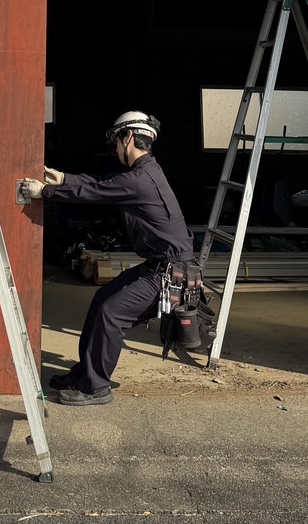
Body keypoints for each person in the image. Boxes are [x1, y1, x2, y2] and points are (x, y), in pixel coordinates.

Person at [20, 109, 194, 406]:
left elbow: (97, 192)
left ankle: (96, 387)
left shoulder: (140, 179)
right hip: (161, 266)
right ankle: (84, 374)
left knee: (111, 312)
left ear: (129, 137)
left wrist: (47, 191)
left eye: (116, 141)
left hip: (170, 275)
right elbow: (104, 183)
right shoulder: (146, 172)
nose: (115, 148)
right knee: (103, 299)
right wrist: (63, 178)